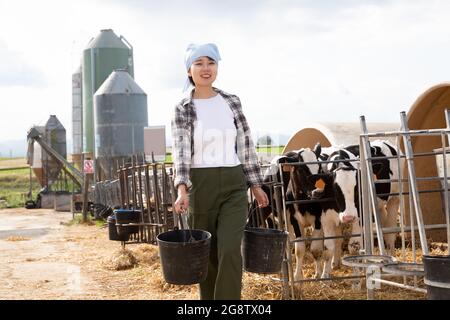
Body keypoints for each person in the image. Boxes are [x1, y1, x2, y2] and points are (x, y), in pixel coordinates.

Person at [171, 43, 269, 300]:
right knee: (208, 254)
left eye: (211, 63)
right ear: (189, 70)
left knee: (229, 249)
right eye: (199, 63)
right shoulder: (183, 107)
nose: (206, 69)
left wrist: (256, 185)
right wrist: (182, 189)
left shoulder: (231, 102)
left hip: (234, 184)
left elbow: (245, 144)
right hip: (200, 185)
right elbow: (181, 150)